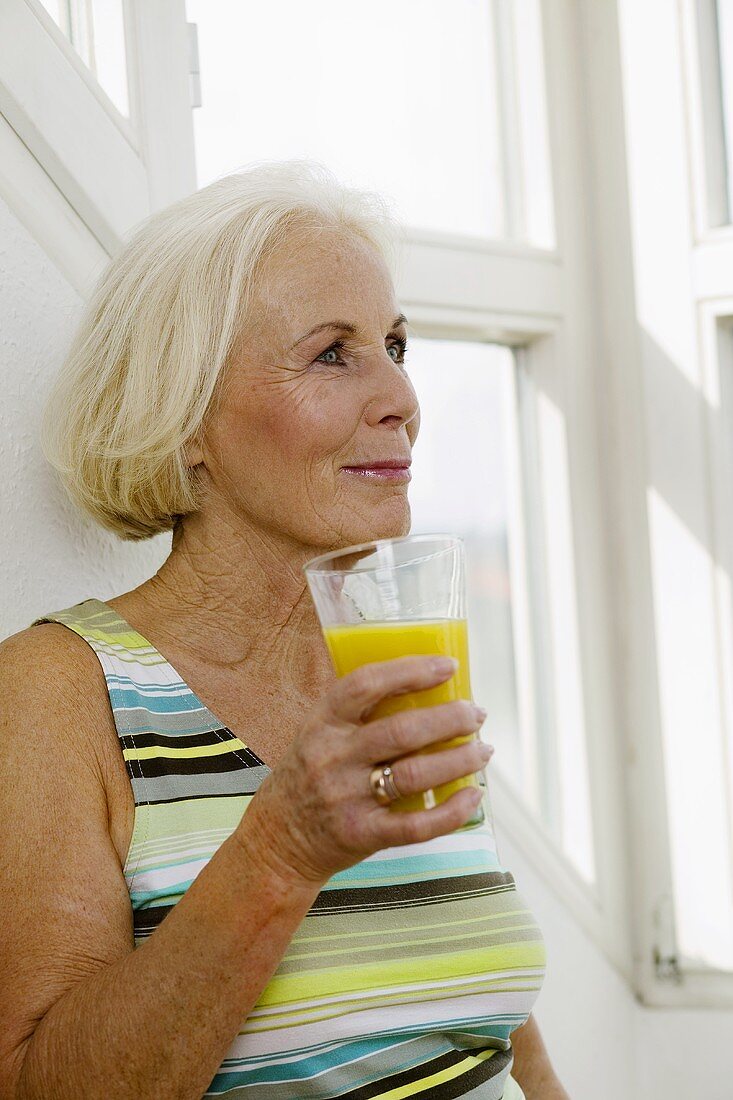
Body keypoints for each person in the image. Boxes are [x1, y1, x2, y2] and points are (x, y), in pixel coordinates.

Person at [0, 160, 568, 1099]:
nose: (400, 398)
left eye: (395, 344)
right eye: (332, 354)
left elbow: (487, 1027)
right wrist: (281, 850)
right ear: (185, 419)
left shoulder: (391, 669)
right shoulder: (54, 694)